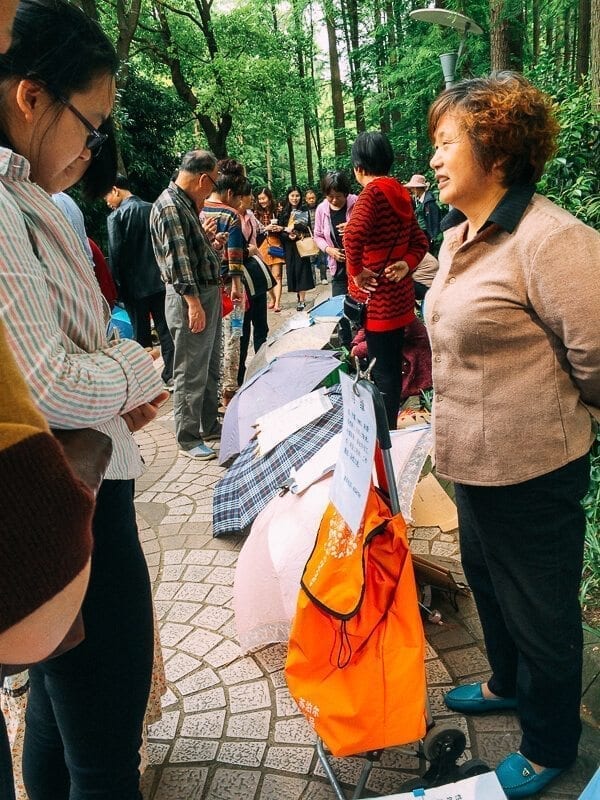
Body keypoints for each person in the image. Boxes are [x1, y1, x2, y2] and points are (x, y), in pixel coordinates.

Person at [0, 3, 169, 799]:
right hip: (72, 499)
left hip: (84, 485)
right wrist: (132, 371)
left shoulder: (30, 192)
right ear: (31, 97)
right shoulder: (3, 203)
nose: (94, 148)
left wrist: (106, 378)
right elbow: (48, 380)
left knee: (63, 719)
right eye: (91, 125)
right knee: (102, 755)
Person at [425, 72, 600, 799]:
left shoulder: (554, 241)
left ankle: (551, 742)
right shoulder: (460, 237)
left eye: (446, 142)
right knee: (489, 583)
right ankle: (504, 681)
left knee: (542, 611)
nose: (434, 157)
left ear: (496, 152)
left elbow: (596, 355)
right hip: (472, 461)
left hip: (534, 468)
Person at [343, 131, 429, 428]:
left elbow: (352, 236)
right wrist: (407, 264)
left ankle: (385, 435)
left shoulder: (372, 194)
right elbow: (420, 241)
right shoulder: (401, 193)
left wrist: (356, 272)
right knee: (390, 367)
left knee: (383, 372)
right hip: (399, 299)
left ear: (358, 167)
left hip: (378, 302)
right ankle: (389, 429)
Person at [150, 150, 226, 460]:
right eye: (214, 182)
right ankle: (188, 437)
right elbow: (177, 263)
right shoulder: (171, 205)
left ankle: (208, 423)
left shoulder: (184, 203)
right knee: (190, 369)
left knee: (208, 365)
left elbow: (188, 251)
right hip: (190, 297)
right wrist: (193, 303)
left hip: (203, 293)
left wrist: (209, 242)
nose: (213, 190)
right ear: (203, 179)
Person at [105, 174, 174, 388]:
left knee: (140, 334)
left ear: (115, 190)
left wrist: (117, 288)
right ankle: (171, 374)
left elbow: (115, 255)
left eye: (107, 196)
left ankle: (145, 380)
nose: (107, 202)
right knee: (165, 330)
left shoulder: (116, 217)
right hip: (160, 281)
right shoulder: (152, 208)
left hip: (133, 287)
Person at [202, 158, 246, 408]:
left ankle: (211, 394)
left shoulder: (197, 208)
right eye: (238, 197)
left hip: (204, 287)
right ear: (230, 193)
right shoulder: (230, 215)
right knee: (232, 337)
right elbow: (235, 254)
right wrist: (237, 286)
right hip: (228, 287)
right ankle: (229, 392)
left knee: (210, 340)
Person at [237, 179, 269, 384]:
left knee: (261, 325)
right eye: (250, 195)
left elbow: (261, 233)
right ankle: (240, 374)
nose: (253, 198)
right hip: (239, 280)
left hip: (256, 275)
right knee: (242, 330)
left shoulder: (250, 216)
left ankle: (261, 365)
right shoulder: (230, 217)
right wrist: (249, 251)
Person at [313, 171, 358, 297]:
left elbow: (370, 226)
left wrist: (352, 226)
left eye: (338, 196)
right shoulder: (321, 209)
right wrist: (329, 250)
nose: (334, 200)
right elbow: (318, 235)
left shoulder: (358, 203)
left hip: (359, 265)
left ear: (345, 193)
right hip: (338, 267)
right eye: (330, 196)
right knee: (338, 302)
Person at [274, 186, 314, 311]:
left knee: (302, 271)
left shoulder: (304, 210)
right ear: (288, 196)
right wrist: (287, 235)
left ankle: (301, 300)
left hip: (301, 244)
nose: (295, 198)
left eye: (297, 196)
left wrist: (294, 230)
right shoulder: (283, 212)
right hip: (289, 246)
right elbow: (279, 230)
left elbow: (305, 226)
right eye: (292, 195)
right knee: (293, 271)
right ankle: (298, 295)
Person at [255, 187, 285, 312]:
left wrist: (279, 228)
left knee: (277, 275)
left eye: (264, 198)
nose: (262, 201)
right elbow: (254, 231)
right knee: (266, 276)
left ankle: (277, 302)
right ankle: (272, 298)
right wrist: (265, 228)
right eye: (260, 199)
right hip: (262, 245)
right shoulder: (255, 213)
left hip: (276, 243)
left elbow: (285, 225)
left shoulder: (278, 210)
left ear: (269, 198)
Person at [404, 173, 441, 252]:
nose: (412, 191)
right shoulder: (419, 200)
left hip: (427, 234)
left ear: (418, 188)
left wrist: (433, 237)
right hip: (421, 233)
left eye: (413, 188)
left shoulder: (429, 202)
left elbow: (434, 220)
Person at [304, 187, 328, 284]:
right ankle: (312, 280)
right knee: (310, 259)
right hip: (308, 237)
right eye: (309, 198)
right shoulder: (303, 210)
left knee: (322, 258)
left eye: (313, 198)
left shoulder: (320, 208)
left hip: (321, 236)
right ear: (306, 199)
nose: (311, 200)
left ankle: (323, 277)